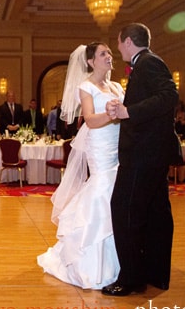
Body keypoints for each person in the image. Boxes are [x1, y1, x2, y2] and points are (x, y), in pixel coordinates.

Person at [37, 42, 124, 289]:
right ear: (90, 62)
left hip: (118, 146)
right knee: (102, 192)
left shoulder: (117, 86)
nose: (109, 57)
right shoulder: (86, 87)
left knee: (117, 195)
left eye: (109, 52)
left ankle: (121, 257)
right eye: (103, 54)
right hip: (100, 146)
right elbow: (90, 120)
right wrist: (111, 114)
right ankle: (91, 260)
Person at [104, 23, 181, 296]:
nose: (117, 49)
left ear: (127, 42)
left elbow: (170, 96)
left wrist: (128, 113)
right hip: (152, 153)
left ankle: (131, 279)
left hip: (143, 155)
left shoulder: (148, 63)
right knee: (156, 213)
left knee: (124, 210)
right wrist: (125, 109)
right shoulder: (148, 63)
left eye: (118, 43)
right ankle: (155, 273)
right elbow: (153, 101)